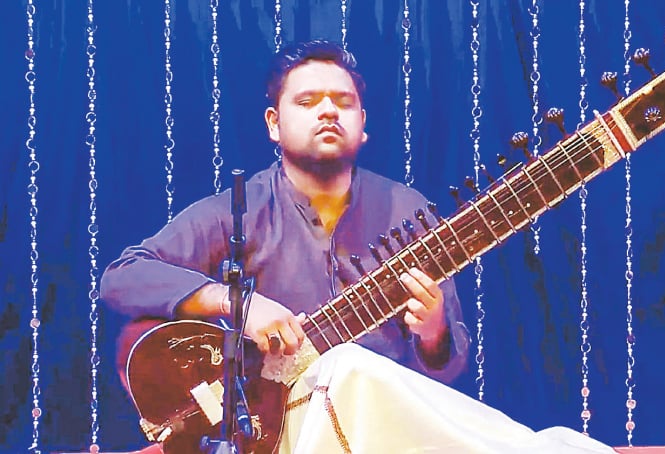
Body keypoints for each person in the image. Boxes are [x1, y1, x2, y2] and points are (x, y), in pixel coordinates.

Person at [100, 39, 616, 453]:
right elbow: (123, 276)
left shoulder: (409, 210)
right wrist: (238, 303)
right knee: (345, 365)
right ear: (274, 125)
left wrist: (433, 330)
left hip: (382, 427)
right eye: (307, 102)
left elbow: (448, 366)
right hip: (274, 433)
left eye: (344, 102)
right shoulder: (236, 209)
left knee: (359, 373)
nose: (328, 111)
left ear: (363, 125)